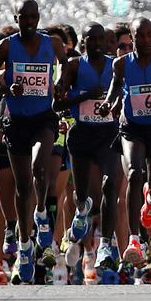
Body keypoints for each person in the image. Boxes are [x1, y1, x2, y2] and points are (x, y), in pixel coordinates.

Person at [0, 0, 69, 282]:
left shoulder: (53, 44)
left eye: (33, 16)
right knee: (22, 187)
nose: (29, 21)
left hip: (44, 118)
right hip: (16, 122)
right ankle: (23, 246)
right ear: (16, 18)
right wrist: (8, 87)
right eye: (24, 17)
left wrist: (60, 86)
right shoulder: (6, 46)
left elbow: (69, 67)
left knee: (39, 168)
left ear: (38, 17)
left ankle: (42, 213)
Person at [54, 24, 122, 275]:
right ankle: (81, 213)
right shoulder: (73, 66)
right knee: (82, 195)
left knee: (110, 185)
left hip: (108, 135)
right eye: (89, 39)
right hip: (81, 134)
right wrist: (84, 97)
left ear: (106, 42)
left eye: (99, 39)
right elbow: (56, 104)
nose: (95, 43)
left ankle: (105, 244)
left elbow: (122, 96)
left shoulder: (115, 65)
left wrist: (111, 105)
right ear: (82, 42)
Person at [107, 17, 151, 266]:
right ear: (131, 39)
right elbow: (115, 89)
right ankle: (134, 239)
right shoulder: (121, 64)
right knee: (134, 173)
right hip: (132, 128)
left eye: (149, 35)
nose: (145, 40)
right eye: (139, 36)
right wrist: (108, 104)